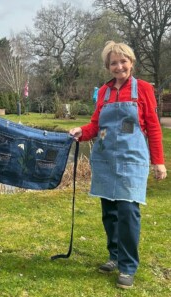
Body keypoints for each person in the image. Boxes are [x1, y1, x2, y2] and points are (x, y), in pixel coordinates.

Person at [69, 41, 167, 289]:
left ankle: (128, 265)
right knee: (109, 213)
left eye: (123, 61)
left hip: (132, 159)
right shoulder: (103, 92)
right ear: (108, 66)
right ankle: (114, 255)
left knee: (127, 212)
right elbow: (96, 125)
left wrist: (159, 162)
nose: (119, 66)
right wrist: (81, 131)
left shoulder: (143, 89)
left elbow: (153, 127)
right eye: (114, 62)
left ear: (131, 62)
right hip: (105, 159)